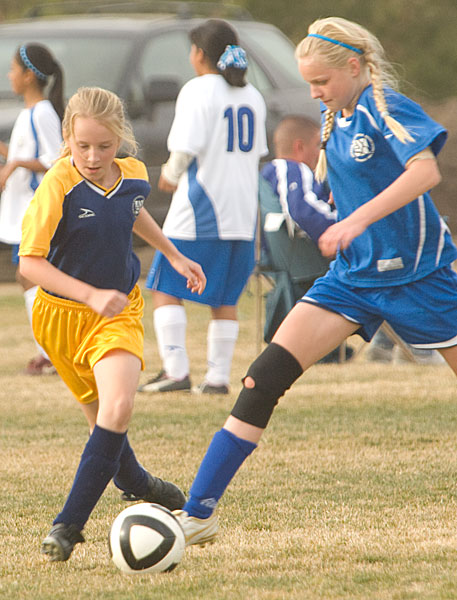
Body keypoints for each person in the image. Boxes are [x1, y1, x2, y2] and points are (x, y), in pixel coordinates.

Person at [169, 16, 457, 547]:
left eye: (322, 81)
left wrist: (354, 222)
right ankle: (198, 512)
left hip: (419, 276)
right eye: (309, 83)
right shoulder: (332, 119)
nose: (314, 92)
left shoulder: (386, 108)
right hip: (351, 279)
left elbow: (425, 173)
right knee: (263, 377)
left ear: (355, 66)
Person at [18, 86, 206, 562]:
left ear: (120, 139)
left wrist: (173, 254)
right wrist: (89, 295)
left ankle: (67, 527)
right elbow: (30, 264)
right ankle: (138, 482)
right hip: (60, 319)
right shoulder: (58, 185)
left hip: (117, 312)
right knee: (104, 425)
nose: (93, 157)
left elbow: (131, 214)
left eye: (104, 146)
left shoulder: (134, 174)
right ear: (67, 137)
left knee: (118, 408)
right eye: (82, 146)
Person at [138, 18, 268, 395]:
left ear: (199, 54)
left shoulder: (198, 89)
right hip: (243, 211)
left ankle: (176, 371)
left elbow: (185, 147)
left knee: (165, 284)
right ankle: (217, 378)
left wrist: (170, 175)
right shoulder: (252, 95)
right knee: (224, 297)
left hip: (202, 209)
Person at [260, 115, 353, 362]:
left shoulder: (268, 174)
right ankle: (391, 342)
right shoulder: (291, 168)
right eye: (317, 146)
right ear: (299, 147)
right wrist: (345, 228)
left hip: (290, 262)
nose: (321, 153)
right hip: (310, 259)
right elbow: (302, 209)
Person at [0, 43, 64, 375]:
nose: (8, 75)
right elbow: (28, 154)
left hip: (35, 209)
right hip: (21, 210)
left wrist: (15, 165)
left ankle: (52, 352)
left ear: (28, 76)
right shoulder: (29, 113)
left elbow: (56, 160)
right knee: (27, 278)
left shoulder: (42, 113)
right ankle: (47, 351)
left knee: (31, 275)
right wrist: (9, 155)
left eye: (12, 69)